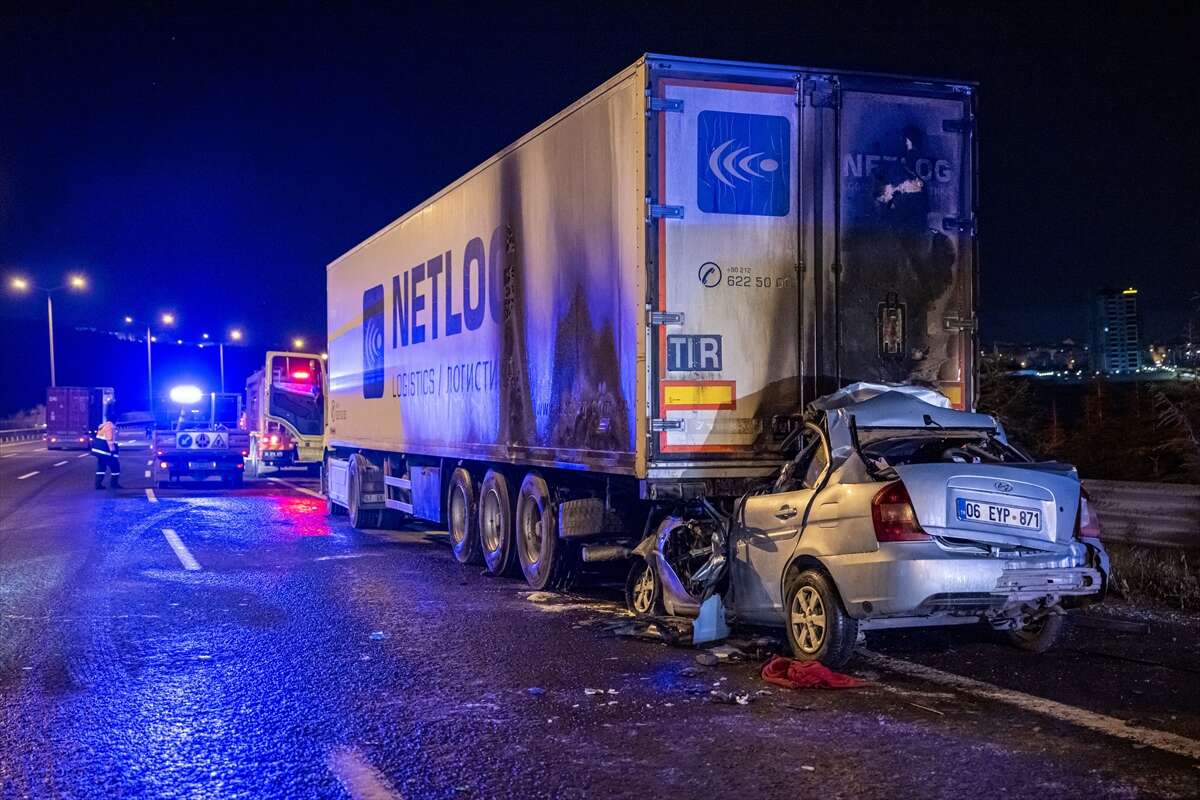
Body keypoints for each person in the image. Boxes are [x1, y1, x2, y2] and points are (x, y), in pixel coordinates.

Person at [92, 419, 121, 489]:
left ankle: (98, 484)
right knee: (115, 467)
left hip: (99, 451)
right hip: (106, 451)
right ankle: (114, 484)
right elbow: (110, 439)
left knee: (101, 467)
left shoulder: (103, 426)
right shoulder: (110, 426)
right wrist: (112, 451)